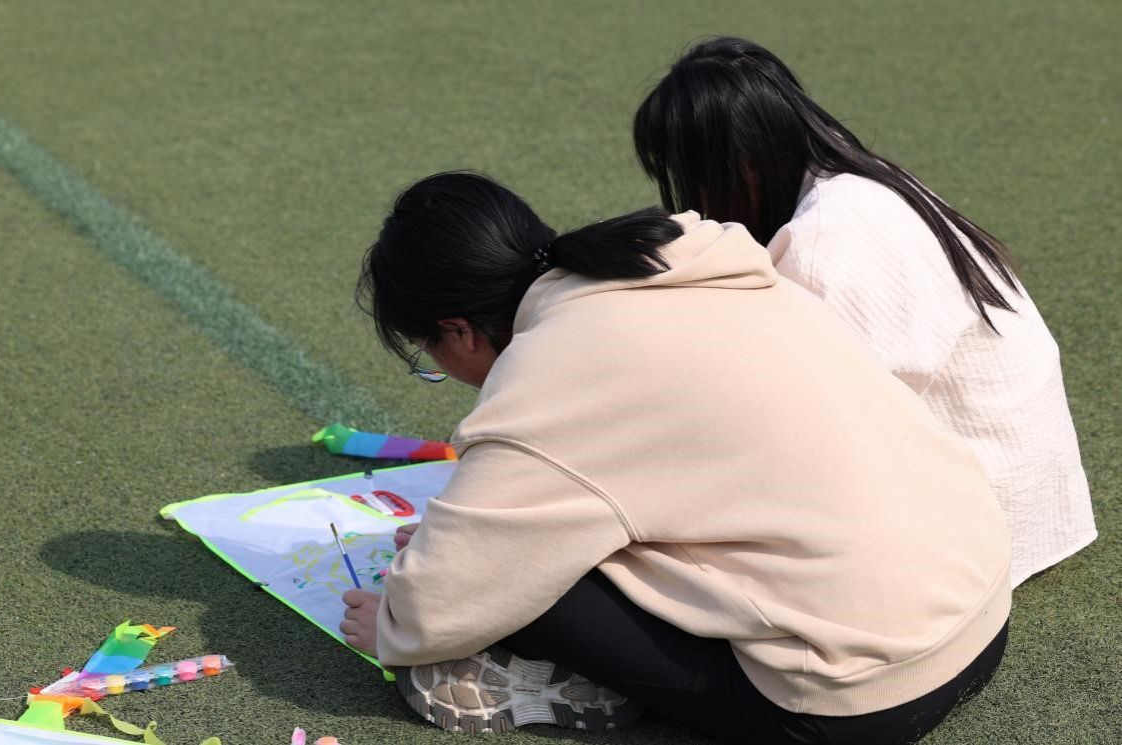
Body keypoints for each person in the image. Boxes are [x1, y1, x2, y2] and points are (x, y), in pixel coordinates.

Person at [340, 171, 1010, 744]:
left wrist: (397, 621)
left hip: (857, 698)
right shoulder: (678, 259)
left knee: (531, 581)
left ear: (457, 330)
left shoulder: (549, 371)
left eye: (429, 356)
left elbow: (443, 602)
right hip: (979, 604)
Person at [632, 37, 1095, 586]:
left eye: (693, 180)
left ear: (741, 166)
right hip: (1031, 493)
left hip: (983, 522)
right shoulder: (863, 182)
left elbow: (799, 424)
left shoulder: (825, 237)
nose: (694, 204)